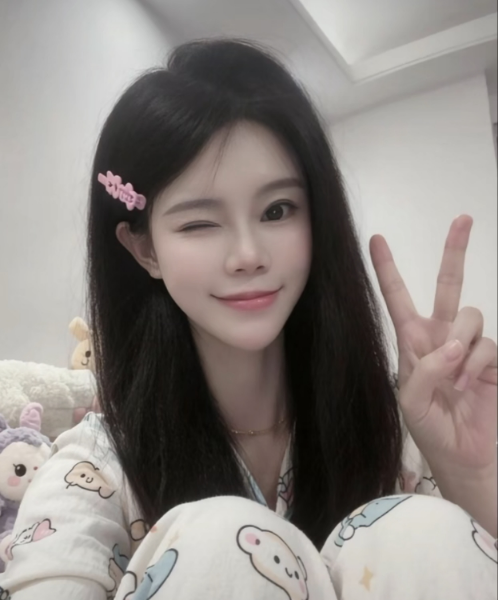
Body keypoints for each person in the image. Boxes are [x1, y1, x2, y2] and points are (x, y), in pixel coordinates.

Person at [0, 39, 496, 600]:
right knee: (221, 539)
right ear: (145, 250)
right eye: (199, 223)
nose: (248, 254)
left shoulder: (396, 424)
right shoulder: (97, 466)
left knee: (419, 532)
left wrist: (474, 476)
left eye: (277, 210)